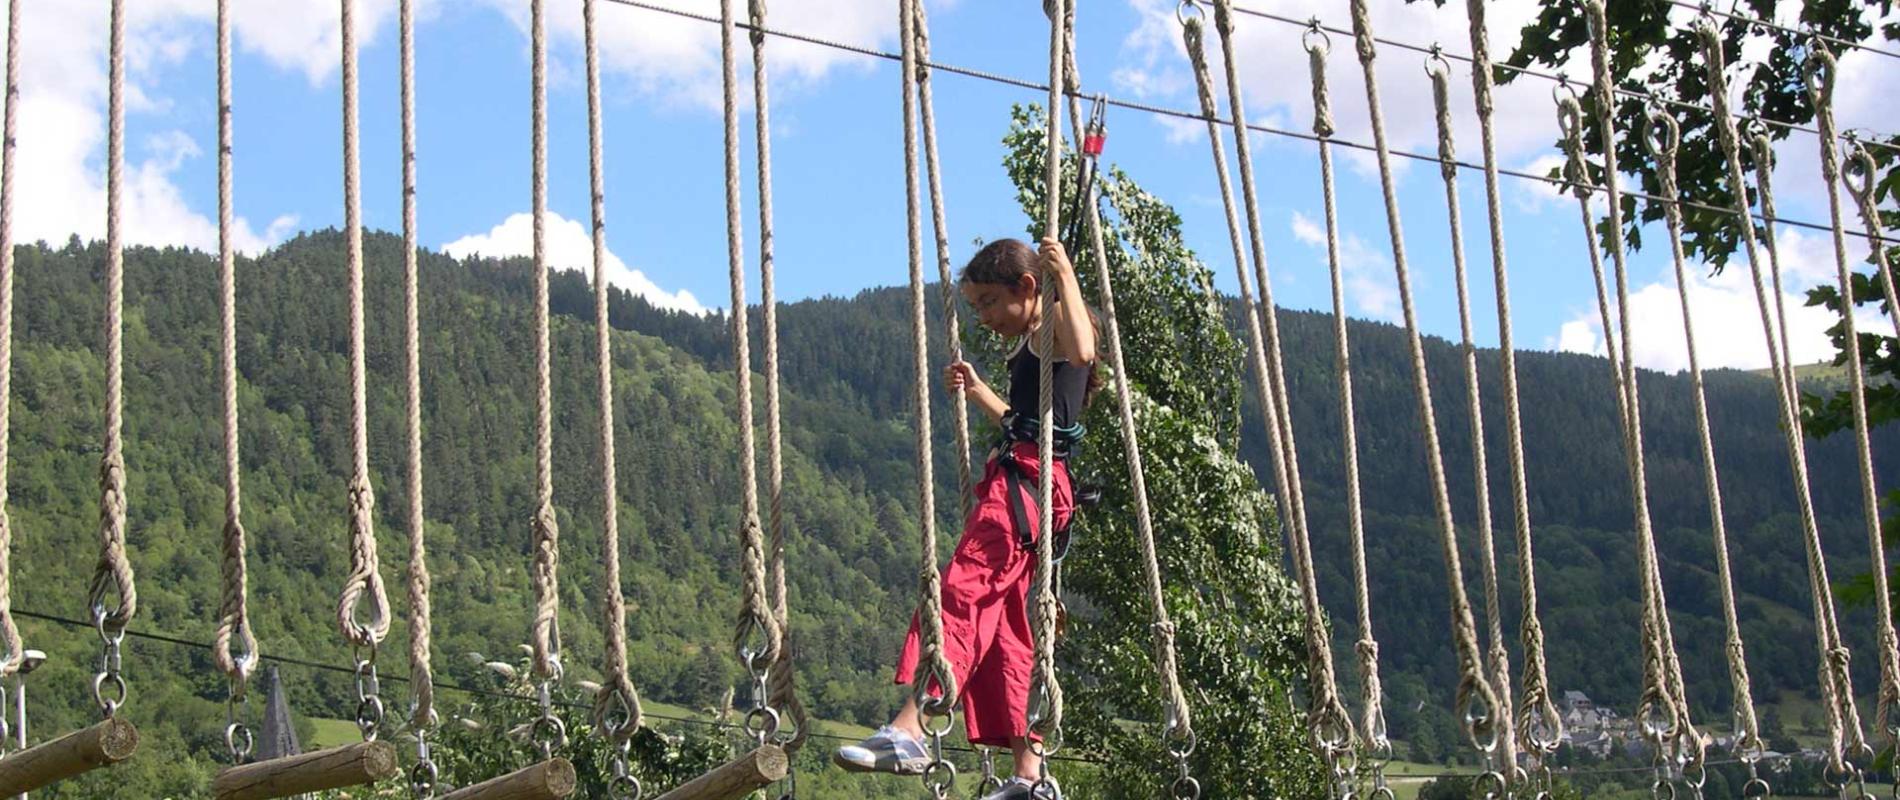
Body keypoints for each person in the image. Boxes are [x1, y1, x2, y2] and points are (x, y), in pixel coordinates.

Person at [834, 237, 1098, 800]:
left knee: (963, 590)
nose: (981, 317)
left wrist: (1066, 276)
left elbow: (1083, 351)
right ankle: (1030, 774)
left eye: (987, 303)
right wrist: (980, 392)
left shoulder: (1053, 322)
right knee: (1003, 629)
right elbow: (1025, 421)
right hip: (1032, 483)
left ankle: (910, 729)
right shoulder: (1034, 339)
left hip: (1027, 489)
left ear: (1026, 289)